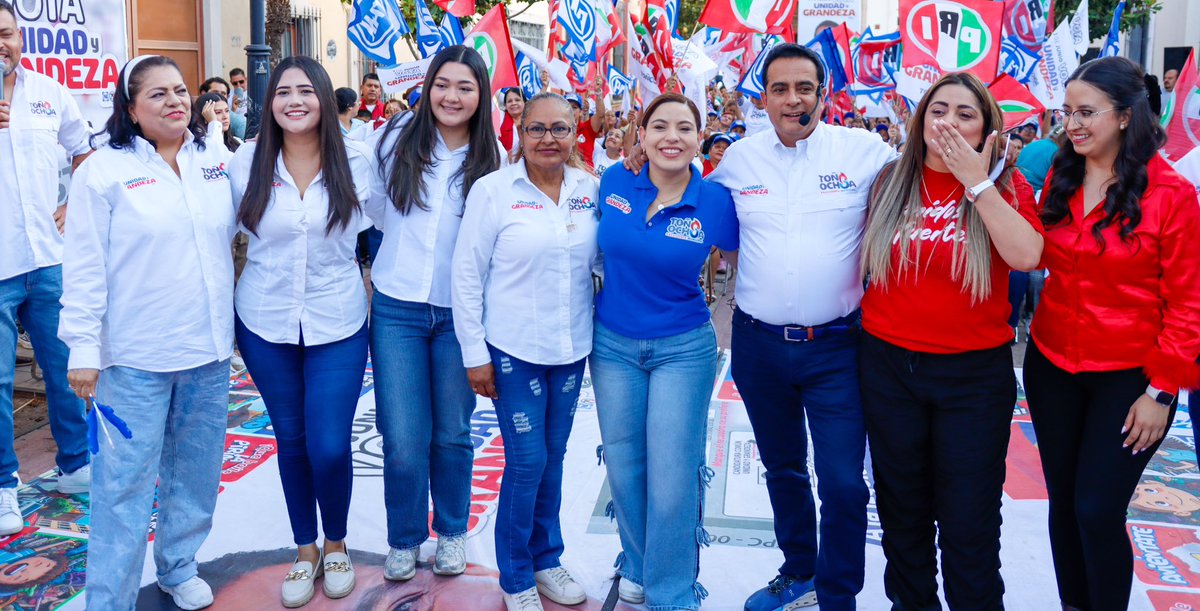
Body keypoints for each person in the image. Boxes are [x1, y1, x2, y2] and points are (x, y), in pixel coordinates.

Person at [704, 43, 898, 611]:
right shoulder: (738, 159)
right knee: (783, 468)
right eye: (780, 89)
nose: (793, 100)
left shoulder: (864, 152)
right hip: (758, 346)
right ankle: (799, 572)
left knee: (842, 482)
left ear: (824, 95)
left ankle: (839, 594)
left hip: (837, 348)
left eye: (804, 89)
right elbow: (683, 189)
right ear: (762, 98)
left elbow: (925, 176)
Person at [858, 72, 1043, 611]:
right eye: (939, 110)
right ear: (920, 120)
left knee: (969, 517)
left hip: (973, 377)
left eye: (966, 114)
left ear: (987, 127)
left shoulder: (1006, 186)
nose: (949, 123)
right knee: (902, 509)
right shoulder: (890, 179)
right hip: (889, 368)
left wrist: (977, 182)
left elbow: (1028, 257)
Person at [60, 54, 237, 611]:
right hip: (134, 358)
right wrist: (83, 350)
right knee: (123, 489)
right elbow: (84, 266)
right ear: (131, 110)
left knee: (196, 471)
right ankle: (109, 599)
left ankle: (178, 564)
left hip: (207, 351)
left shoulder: (214, 160)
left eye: (180, 90)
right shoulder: (103, 172)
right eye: (157, 94)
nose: (175, 101)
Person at [1024, 56, 1200, 611]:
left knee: (1097, 509)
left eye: (1087, 112)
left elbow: (1190, 303)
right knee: (1064, 506)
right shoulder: (1062, 171)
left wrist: (1161, 392)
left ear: (1125, 116)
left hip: (1131, 381)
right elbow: (1039, 252)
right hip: (1052, 365)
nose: (1073, 124)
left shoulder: (1172, 194)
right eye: (1067, 111)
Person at [228, 55, 374, 608]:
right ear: (270, 103)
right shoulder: (244, 163)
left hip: (337, 321)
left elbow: (407, 203)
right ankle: (306, 549)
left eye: (306, 91)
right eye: (283, 91)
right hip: (264, 322)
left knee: (331, 445)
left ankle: (336, 544)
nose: (294, 100)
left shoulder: (359, 161)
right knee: (291, 441)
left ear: (323, 100)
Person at [590, 93, 738, 610]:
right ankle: (636, 562)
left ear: (700, 139)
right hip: (611, 345)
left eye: (684, 127)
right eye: (659, 126)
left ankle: (671, 591)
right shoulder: (613, 182)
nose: (671, 136)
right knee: (625, 464)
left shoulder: (717, 200)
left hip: (683, 348)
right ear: (642, 135)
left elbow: (751, 258)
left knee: (673, 474)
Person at [452, 92, 598, 611]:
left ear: (575, 132)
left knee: (552, 459)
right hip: (513, 347)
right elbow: (466, 275)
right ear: (519, 130)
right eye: (537, 129)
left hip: (571, 346)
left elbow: (605, 259)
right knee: (528, 459)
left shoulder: (590, 190)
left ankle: (546, 558)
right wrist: (474, 353)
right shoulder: (493, 191)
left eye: (560, 129)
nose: (548, 140)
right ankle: (515, 575)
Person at [366, 45, 502, 584]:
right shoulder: (396, 137)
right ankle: (405, 537)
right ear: (428, 86)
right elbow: (374, 206)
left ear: (480, 95)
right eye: (442, 84)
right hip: (397, 307)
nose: (451, 96)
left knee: (451, 432)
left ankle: (450, 531)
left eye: (465, 87)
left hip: (460, 315)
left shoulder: (495, 152)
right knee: (401, 436)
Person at [0, 0, 93, 525]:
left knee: (65, 369)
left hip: (49, 260)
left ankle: (76, 463)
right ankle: (3, 484)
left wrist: (70, 201)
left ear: (20, 37)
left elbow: (84, 152)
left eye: (7, 33)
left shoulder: (50, 93)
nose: (2, 44)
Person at [566, 81, 604, 166]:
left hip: (586, 175)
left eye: (574, 107)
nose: (570, 110)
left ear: (580, 112)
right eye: (566, 106)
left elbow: (600, 114)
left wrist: (598, 92)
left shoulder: (588, 128)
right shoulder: (555, 130)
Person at [499, 87, 526, 160]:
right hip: (503, 167)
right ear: (505, 105)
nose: (513, 103)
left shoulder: (530, 121)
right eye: (509, 101)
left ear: (524, 102)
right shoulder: (500, 117)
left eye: (517, 100)